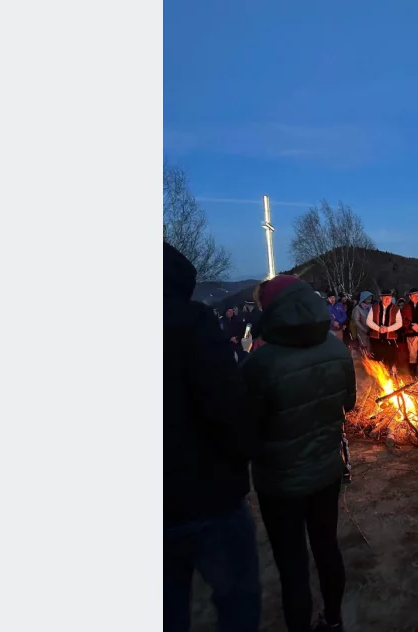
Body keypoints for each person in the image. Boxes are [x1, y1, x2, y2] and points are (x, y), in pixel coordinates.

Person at [241, 275, 356, 632]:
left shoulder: (261, 362)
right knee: (326, 549)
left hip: (279, 482)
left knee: (292, 565)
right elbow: (348, 403)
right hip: (325, 470)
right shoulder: (337, 349)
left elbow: (247, 428)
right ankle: (334, 620)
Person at [164, 242, 261, 632]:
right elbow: (226, 404)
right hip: (207, 496)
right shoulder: (192, 323)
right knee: (236, 600)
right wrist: (243, 457)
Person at [366, 289, 403, 373]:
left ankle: (391, 377)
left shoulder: (396, 308)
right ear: (381, 298)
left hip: (390, 338)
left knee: (390, 358)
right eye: (385, 297)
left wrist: (387, 329)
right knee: (377, 358)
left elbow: (399, 323)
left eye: (389, 297)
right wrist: (378, 328)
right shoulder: (375, 307)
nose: (387, 299)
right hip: (376, 337)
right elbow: (368, 321)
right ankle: (378, 376)